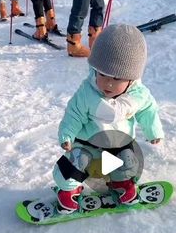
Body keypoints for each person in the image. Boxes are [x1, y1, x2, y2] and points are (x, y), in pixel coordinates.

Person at [53, 24, 164, 213]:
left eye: (117, 78)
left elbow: (148, 110)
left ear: (131, 78)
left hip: (117, 146)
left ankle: (121, 184)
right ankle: (68, 191)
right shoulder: (87, 93)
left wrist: (153, 131)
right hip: (86, 145)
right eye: (102, 74)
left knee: (127, 161)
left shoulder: (138, 95)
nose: (108, 83)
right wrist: (67, 135)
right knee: (73, 164)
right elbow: (74, 114)